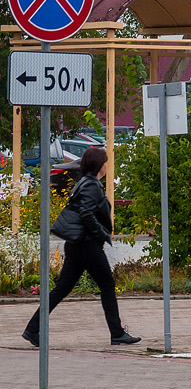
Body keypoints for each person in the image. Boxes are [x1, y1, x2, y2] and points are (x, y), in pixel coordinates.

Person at [22, 146, 139, 347]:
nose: (107, 165)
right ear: (99, 165)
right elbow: (86, 214)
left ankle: (33, 329)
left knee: (61, 289)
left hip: (77, 245)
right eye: (106, 161)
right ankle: (117, 333)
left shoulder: (85, 183)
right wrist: (101, 234)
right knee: (107, 286)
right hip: (87, 246)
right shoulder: (91, 185)